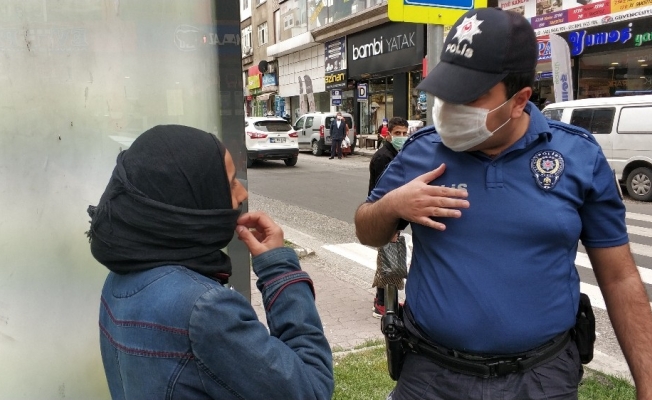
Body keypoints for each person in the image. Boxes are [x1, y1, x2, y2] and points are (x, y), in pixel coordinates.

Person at [354, 7, 652, 399]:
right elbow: (367, 229)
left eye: (470, 96)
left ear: (519, 100)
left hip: (542, 378)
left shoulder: (578, 156)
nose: (450, 107)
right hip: (431, 376)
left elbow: (619, 277)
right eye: (447, 91)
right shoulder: (420, 151)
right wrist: (393, 204)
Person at [87, 125, 333, 400]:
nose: (242, 194)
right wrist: (278, 268)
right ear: (188, 198)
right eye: (230, 183)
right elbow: (311, 389)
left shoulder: (118, 279)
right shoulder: (204, 311)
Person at [368, 117, 410, 318]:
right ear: (388, 135)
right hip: (385, 216)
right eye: (397, 133)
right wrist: (391, 226)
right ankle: (381, 303)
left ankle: (387, 299)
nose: (402, 137)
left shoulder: (397, 153)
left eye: (404, 133)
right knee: (388, 260)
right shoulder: (383, 157)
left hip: (393, 215)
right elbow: (383, 193)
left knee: (389, 258)